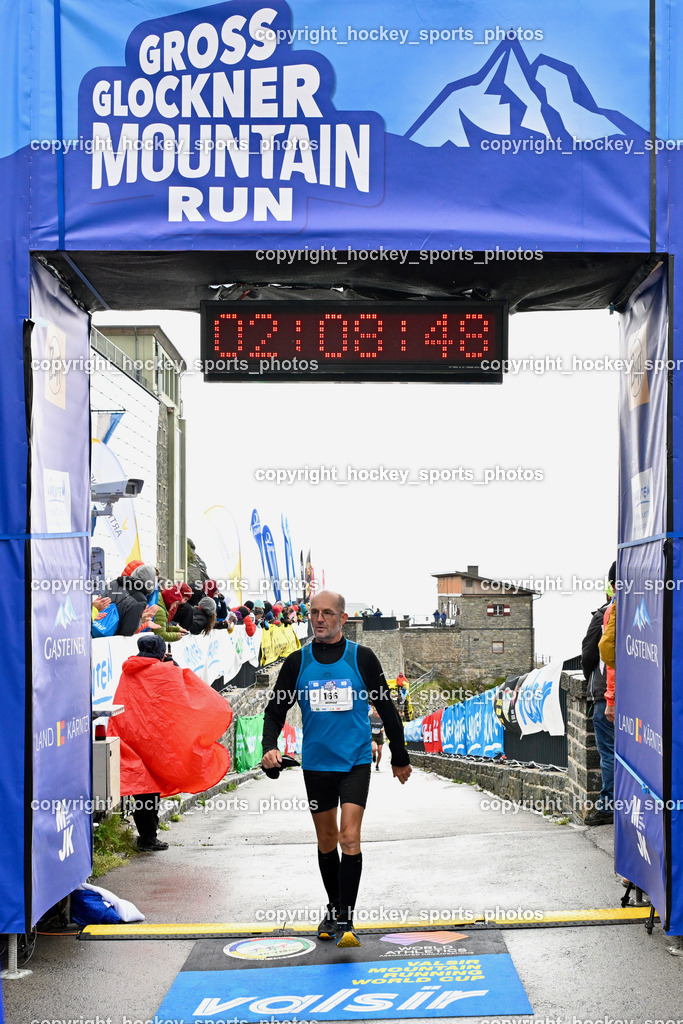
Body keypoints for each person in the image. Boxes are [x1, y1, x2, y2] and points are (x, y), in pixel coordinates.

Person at [260, 589, 412, 948]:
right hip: (316, 765)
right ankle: (334, 906)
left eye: (327, 613)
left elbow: (387, 708)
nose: (319, 619)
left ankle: (346, 916)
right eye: (314, 612)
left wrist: (399, 755)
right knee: (327, 840)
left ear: (343, 619)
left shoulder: (362, 659)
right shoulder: (297, 662)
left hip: (355, 762)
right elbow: (274, 711)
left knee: (349, 838)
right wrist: (269, 747)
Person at [108, 633, 232, 850]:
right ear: (161, 652)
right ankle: (148, 838)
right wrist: (173, 665)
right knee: (150, 791)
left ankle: (146, 835)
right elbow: (184, 696)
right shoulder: (165, 671)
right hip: (156, 743)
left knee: (143, 789)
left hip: (131, 739)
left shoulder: (128, 672)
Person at [581, 562, 616, 825]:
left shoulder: (605, 613)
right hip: (636, 695)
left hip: (606, 695)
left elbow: (589, 653)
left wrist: (590, 681)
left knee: (608, 752)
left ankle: (608, 806)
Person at [368, 707, 384, 771]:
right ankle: (374, 755)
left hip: (380, 736)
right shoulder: (370, 717)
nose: (376, 712)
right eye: (375, 711)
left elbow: (386, 725)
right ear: (373, 711)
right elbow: (365, 723)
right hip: (372, 735)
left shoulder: (382, 717)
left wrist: (383, 729)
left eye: (377, 711)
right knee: (374, 749)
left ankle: (377, 765)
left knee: (379, 752)